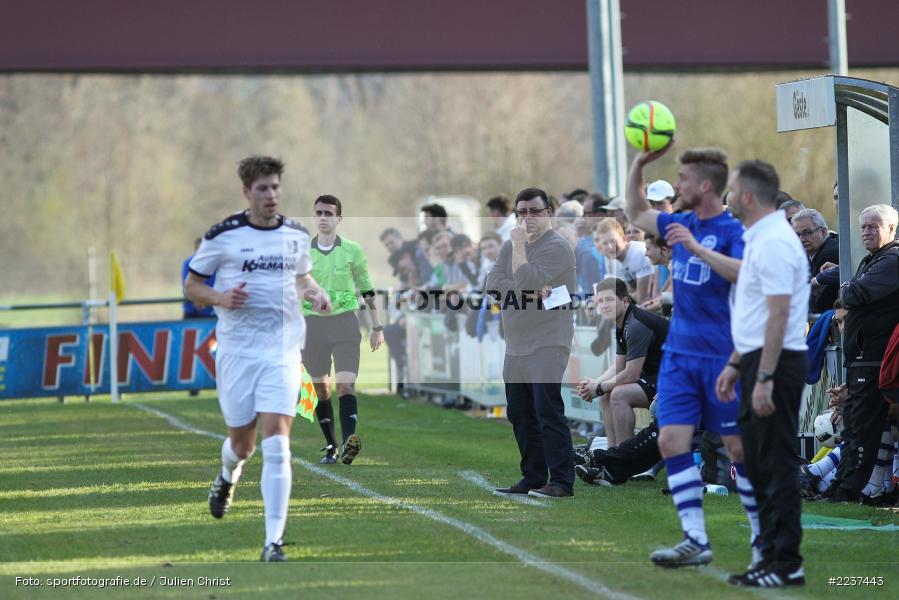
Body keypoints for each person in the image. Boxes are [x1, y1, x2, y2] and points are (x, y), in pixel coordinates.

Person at [184, 155, 331, 562]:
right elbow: (192, 285)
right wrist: (220, 297)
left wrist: (315, 293)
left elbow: (301, 277)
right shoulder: (223, 235)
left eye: (276, 187)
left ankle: (273, 542)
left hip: (282, 352)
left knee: (278, 443)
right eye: (262, 188)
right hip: (236, 353)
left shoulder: (297, 235)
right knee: (242, 445)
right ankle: (227, 475)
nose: (271, 195)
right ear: (247, 192)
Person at [624, 145, 760, 569]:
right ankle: (695, 539)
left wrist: (697, 249)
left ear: (704, 185)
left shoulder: (733, 231)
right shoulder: (679, 221)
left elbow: (745, 273)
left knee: (737, 449)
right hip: (680, 357)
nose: (677, 185)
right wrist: (639, 165)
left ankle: (763, 538)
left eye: (683, 179)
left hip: (720, 355)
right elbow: (635, 212)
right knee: (670, 439)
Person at [715, 160, 809, 587]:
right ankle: (769, 556)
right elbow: (755, 313)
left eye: (731, 190)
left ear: (748, 196)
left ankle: (786, 562)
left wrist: (765, 376)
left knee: (775, 463)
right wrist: (737, 363)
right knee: (758, 461)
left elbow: (779, 313)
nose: (727, 197)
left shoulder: (773, 242)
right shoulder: (760, 238)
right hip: (757, 359)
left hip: (776, 361)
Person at [486, 187, 577, 498]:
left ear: (548, 213)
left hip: (548, 341)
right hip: (516, 343)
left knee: (547, 410)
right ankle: (534, 477)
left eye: (534, 212)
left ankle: (562, 481)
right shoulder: (509, 248)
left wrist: (519, 252)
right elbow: (493, 284)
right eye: (521, 212)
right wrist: (524, 289)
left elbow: (524, 279)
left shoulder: (557, 247)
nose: (527, 218)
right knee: (520, 413)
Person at [824, 204, 899, 502]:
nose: (866, 231)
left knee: (863, 430)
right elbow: (853, 292)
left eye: (874, 226)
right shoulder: (873, 260)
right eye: (863, 226)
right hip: (863, 359)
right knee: (853, 427)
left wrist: (846, 288)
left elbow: (855, 294)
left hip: (875, 360)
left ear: (891, 229)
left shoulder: (892, 260)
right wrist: (849, 287)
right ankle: (841, 484)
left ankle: (849, 490)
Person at [305, 194, 385, 465]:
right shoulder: (302, 251)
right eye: (319, 213)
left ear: (339, 218)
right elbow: (290, 287)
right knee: (321, 388)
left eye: (329, 213)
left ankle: (350, 441)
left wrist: (377, 326)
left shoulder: (352, 250)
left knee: (345, 384)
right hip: (312, 326)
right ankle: (331, 445)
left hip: (344, 324)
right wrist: (309, 297)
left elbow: (366, 288)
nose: (323, 218)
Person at [576, 277, 668, 447]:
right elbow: (618, 367)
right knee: (606, 394)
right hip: (658, 377)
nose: (604, 305)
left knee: (619, 394)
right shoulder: (622, 322)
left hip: (675, 378)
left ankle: (624, 459)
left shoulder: (636, 324)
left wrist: (598, 387)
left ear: (624, 301)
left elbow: (631, 374)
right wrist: (597, 383)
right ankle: (612, 455)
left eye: (609, 300)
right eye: (600, 301)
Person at [182, 237, 216, 396]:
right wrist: (196, 298)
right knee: (190, 351)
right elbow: (187, 285)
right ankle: (193, 388)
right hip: (192, 312)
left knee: (216, 351)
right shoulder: (188, 263)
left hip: (212, 313)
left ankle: (218, 384)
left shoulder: (216, 264)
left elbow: (217, 285)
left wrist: (206, 299)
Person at [592, 218, 654, 302]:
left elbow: (642, 298)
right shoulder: (612, 259)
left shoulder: (638, 254)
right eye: (605, 243)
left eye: (613, 241)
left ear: (624, 239)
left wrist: (626, 294)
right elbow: (621, 292)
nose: (610, 247)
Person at [791, 208, 839, 313]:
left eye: (807, 232)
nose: (801, 239)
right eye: (797, 235)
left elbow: (820, 302)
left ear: (823, 231)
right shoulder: (812, 253)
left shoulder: (829, 253)